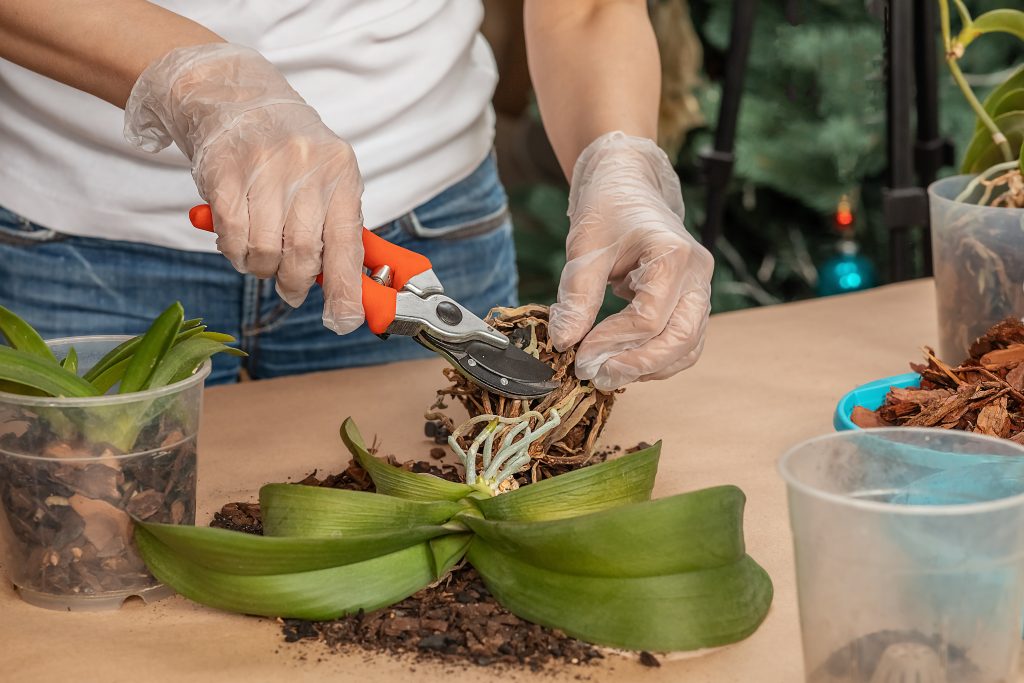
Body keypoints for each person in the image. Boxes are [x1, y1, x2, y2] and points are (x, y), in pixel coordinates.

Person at [0, 0, 713, 391]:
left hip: (426, 214)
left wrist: (619, 160)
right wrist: (200, 83)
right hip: (75, 233)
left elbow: (584, 9)